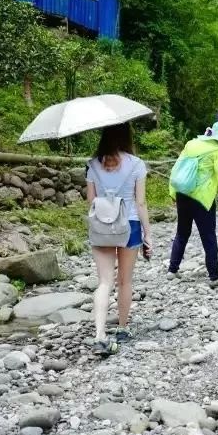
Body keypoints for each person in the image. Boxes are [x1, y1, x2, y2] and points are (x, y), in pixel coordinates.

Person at [86, 123, 151, 356]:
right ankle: (122, 328)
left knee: (104, 281)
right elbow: (140, 202)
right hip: (130, 225)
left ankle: (100, 335)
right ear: (127, 135)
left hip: (101, 227)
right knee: (124, 281)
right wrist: (148, 233)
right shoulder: (136, 164)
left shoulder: (93, 164)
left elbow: (91, 202)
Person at [168, 120, 218, 286]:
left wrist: (172, 192)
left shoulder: (191, 144)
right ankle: (214, 276)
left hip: (182, 194)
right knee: (208, 236)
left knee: (182, 232)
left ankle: (172, 269)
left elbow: (176, 169)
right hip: (203, 199)